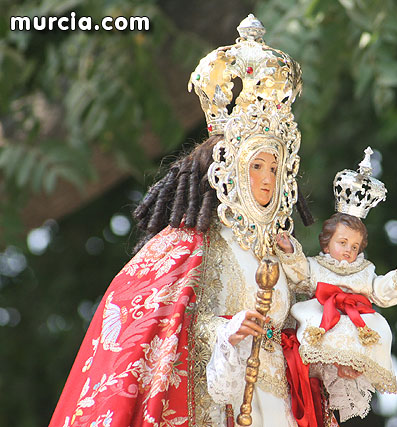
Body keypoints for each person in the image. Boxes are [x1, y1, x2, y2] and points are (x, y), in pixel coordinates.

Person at [49, 14, 352, 427]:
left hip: (281, 406)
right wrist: (226, 333)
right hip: (219, 404)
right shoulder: (187, 247)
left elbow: (292, 338)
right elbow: (165, 328)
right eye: (257, 166)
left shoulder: (286, 254)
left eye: (275, 168)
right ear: (229, 170)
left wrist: (332, 359)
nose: (267, 180)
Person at [274, 149, 397, 422]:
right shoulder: (317, 266)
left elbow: (379, 290)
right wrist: (288, 250)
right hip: (322, 321)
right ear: (326, 241)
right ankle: (330, 366)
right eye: (342, 243)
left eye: (354, 246)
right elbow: (298, 272)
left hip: (355, 325)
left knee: (380, 329)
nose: (348, 251)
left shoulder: (364, 271)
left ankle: (349, 368)